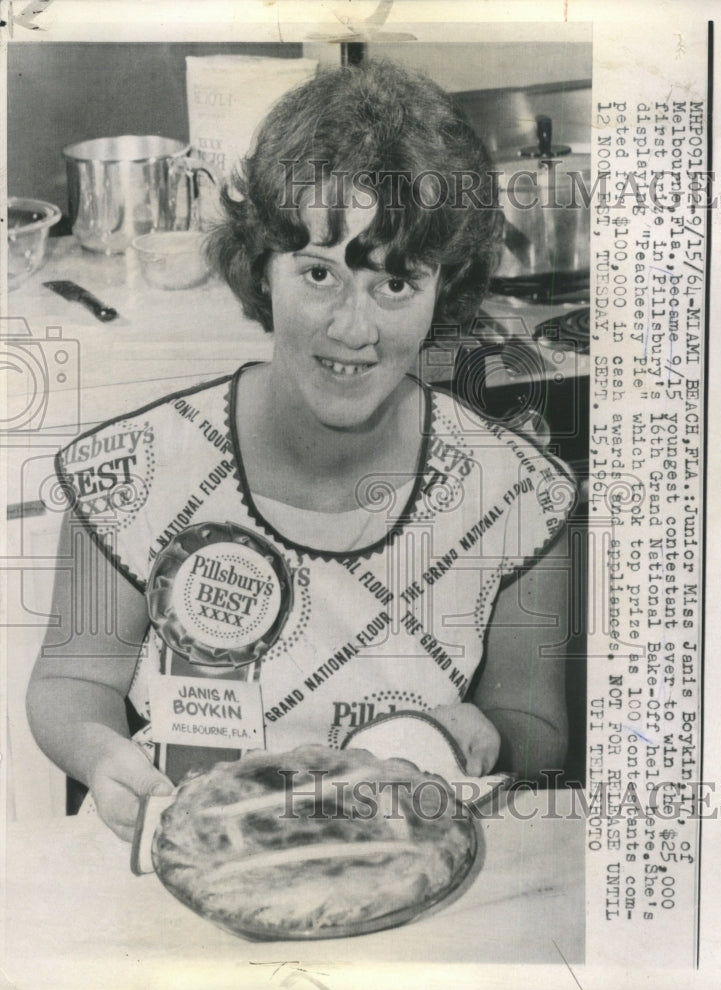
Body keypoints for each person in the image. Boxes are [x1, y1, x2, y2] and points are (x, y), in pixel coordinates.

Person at [27, 60, 576, 842]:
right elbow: (70, 679)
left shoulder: (521, 494)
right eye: (319, 273)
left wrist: (488, 737)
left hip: (394, 860)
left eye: (395, 285)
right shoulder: (130, 471)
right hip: (190, 862)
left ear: (446, 288)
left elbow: (533, 717)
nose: (353, 327)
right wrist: (100, 756)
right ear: (260, 269)